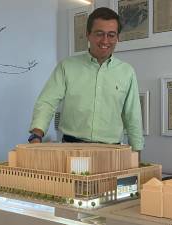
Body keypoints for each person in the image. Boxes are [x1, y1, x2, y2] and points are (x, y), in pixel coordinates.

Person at [28, 7, 144, 152]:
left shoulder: (127, 72)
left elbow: (132, 115)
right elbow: (47, 101)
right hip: (70, 149)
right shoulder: (67, 66)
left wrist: (137, 153)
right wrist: (36, 135)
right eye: (99, 34)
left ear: (117, 38)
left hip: (112, 153)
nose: (105, 40)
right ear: (88, 35)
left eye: (111, 35)